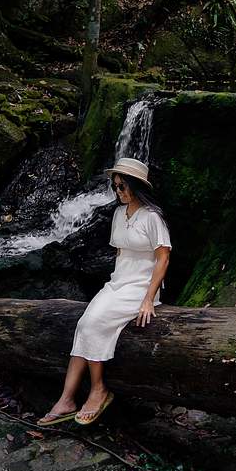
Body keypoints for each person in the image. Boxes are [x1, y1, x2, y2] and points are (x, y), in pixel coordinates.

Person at [37, 157, 171, 427]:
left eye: (123, 186)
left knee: (94, 324)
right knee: (83, 324)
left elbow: (163, 258)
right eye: (115, 186)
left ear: (136, 186)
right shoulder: (119, 214)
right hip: (118, 283)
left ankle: (98, 389)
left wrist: (148, 300)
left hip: (141, 287)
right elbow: (121, 252)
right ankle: (66, 398)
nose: (118, 191)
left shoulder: (152, 217)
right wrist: (112, 286)